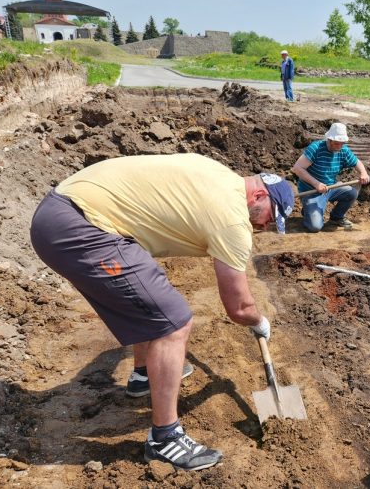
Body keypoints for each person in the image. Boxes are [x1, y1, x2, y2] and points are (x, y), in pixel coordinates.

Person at [30, 153, 295, 471]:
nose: (264, 226)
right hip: (80, 228)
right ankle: (165, 440)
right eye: (270, 216)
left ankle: (143, 375)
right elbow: (238, 307)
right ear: (259, 195)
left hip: (64, 211)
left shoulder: (221, 176)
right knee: (173, 323)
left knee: (151, 299)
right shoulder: (233, 219)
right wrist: (258, 320)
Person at [292, 122, 370, 232]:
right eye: (337, 143)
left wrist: (363, 173)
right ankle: (308, 211)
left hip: (330, 188)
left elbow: (357, 162)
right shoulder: (316, 148)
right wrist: (316, 184)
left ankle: (336, 217)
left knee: (351, 193)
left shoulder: (343, 149)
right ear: (329, 139)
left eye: (342, 143)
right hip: (311, 191)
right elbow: (297, 168)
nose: (339, 146)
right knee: (315, 227)